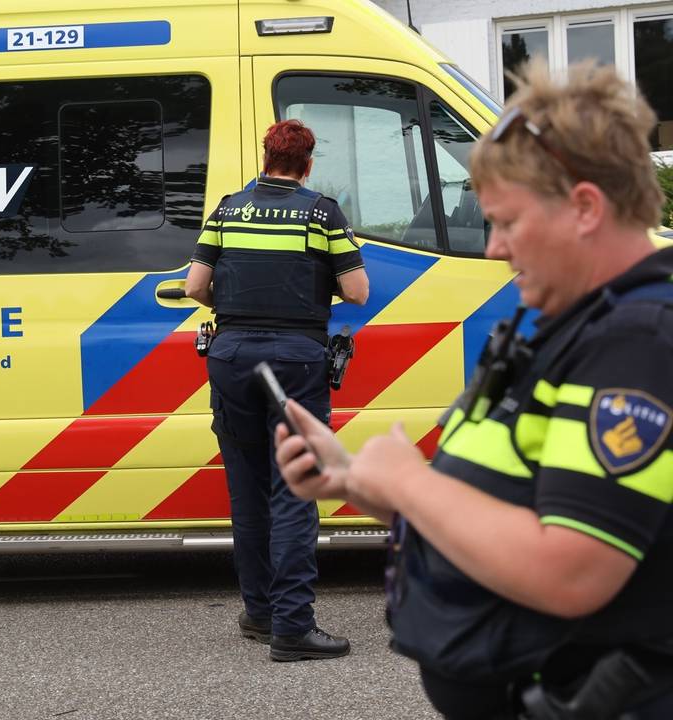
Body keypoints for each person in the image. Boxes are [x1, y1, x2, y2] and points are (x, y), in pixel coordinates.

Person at [275, 60, 673, 719]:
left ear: (584, 208)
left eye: (508, 222)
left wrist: (410, 484)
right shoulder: (583, 324)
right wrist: (358, 483)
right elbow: (505, 510)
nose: (494, 248)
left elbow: (572, 570)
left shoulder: (640, 341)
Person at [185, 119, 370, 661]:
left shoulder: (227, 210)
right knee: (293, 490)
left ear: (265, 158)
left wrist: (235, 304)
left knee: (248, 492)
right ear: (307, 165)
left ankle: (261, 612)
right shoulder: (321, 213)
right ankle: (293, 627)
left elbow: (196, 286)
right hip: (294, 361)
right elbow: (357, 292)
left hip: (230, 356)